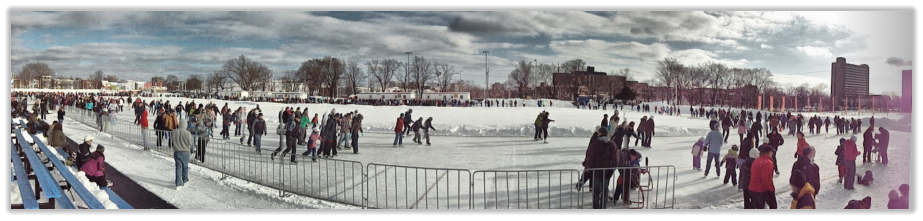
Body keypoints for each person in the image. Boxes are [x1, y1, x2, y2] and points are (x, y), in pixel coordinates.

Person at [749, 144, 777, 209]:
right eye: (771, 152)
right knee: (773, 206)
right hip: (762, 189)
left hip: (753, 188)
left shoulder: (756, 161)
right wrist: (772, 190)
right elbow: (767, 179)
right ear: (769, 152)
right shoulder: (767, 163)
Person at [172, 120, 193, 189]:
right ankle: (185, 180)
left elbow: (171, 141)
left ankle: (178, 183)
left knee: (178, 167)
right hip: (185, 152)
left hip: (177, 151)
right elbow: (190, 143)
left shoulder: (174, 132)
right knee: (185, 167)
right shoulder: (187, 133)